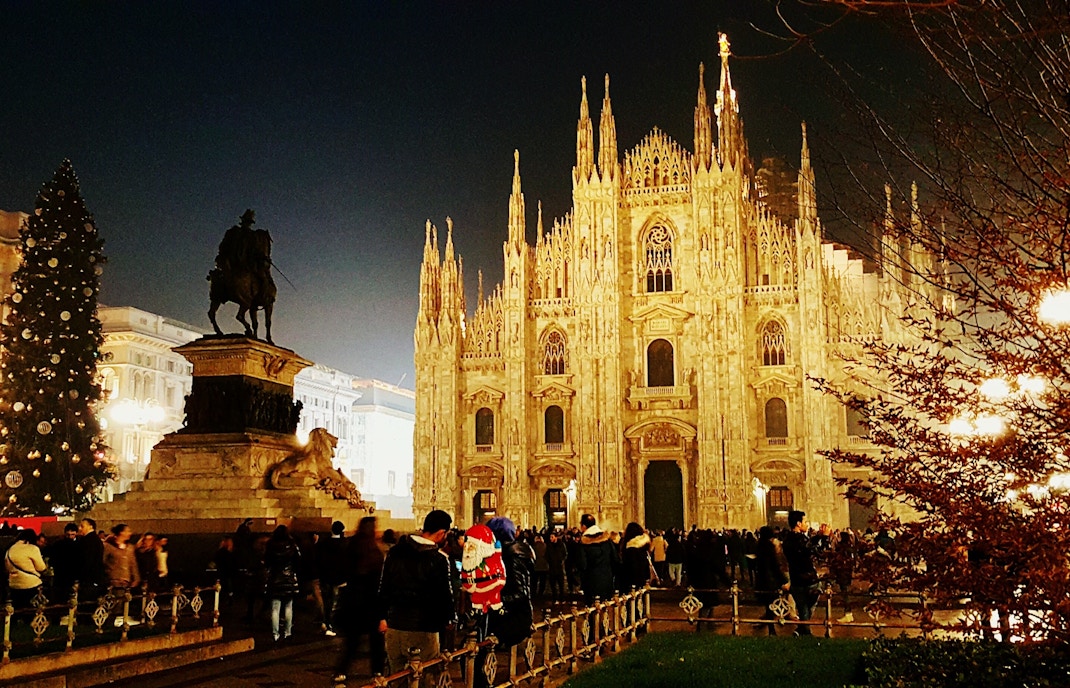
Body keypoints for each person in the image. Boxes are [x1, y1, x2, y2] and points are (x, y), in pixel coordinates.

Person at [378, 509, 455, 686]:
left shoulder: (395, 552)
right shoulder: (438, 560)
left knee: (396, 678)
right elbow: (444, 596)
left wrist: (382, 617)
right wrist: (448, 620)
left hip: (395, 627)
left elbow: (384, 588)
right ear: (441, 533)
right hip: (424, 630)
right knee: (426, 677)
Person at [333, 517, 386, 683]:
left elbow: (342, 572)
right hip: (370, 602)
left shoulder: (351, 547)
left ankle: (340, 671)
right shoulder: (374, 552)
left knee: (352, 642)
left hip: (352, 601)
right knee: (376, 640)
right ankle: (377, 672)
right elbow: (378, 583)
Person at [486, 517, 535, 649]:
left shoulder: (512, 557)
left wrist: (495, 600)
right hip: (506, 613)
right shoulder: (507, 554)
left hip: (514, 617)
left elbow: (521, 593)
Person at [782, 510, 820, 636]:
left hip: (795, 578)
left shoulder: (787, 539)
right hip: (808, 579)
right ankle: (804, 631)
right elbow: (807, 549)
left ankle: (802, 630)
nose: (807, 524)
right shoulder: (800, 539)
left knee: (803, 607)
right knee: (808, 606)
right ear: (798, 523)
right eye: (805, 521)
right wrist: (821, 536)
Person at [264, 525, 300, 642]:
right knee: (289, 606)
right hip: (289, 578)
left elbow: (267, 561)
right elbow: (298, 560)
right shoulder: (292, 544)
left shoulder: (270, 545)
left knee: (275, 608)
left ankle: (275, 633)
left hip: (275, 578)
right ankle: (287, 631)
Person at [754, 526, 790, 635]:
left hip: (762, 579)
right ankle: (772, 628)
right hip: (771, 581)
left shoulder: (759, 546)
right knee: (771, 604)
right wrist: (784, 580)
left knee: (768, 605)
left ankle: (770, 626)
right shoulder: (769, 547)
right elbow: (774, 566)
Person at [576, 513, 618, 605]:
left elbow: (582, 565)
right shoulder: (607, 540)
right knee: (605, 607)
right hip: (607, 580)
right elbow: (615, 559)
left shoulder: (584, 543)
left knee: (592, 609)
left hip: (590, 582)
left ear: (583, 526)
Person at [103, 524, 140, 627]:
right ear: (121, 533)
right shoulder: (109, 547)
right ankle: (107, 624)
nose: (130, 533)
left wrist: (136, 577)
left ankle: (114, 624)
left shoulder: (130, 548)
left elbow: (133, 563)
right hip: (114, 580)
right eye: (127, 531)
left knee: (122, 604)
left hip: (125, 580)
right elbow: (103, 561)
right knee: (115, 604)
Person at [5, 528, 47, 618]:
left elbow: (7, 568)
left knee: (17, 610)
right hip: (31, 584)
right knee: (31, 611)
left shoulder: (9, 550)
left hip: (14, 584)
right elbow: (41, 567)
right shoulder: (32, 548)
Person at [318, 520, 348, 637]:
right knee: (337, 603)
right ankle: (334, 624)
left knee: (327, 602)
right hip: (340, 577)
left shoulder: (324, 543)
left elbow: (320, 560)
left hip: (326, 577)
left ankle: (327, 623)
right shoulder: (345, 544)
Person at [46, 523, 81, 604]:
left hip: (62, 575)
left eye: (72, 534)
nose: (70, 536)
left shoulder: (58, 544)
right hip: (67, 575)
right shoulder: (79, 545)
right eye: (69, 534)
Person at [76, 518, 106, 605]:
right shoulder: (94, 540)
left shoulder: (88, 541)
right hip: (93, 578)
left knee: (86, 605)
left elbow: (87, 561)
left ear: (90, 527)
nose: (80, 528)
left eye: (82, 526)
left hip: (89, 579)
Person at [618, 522, 654, 592]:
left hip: (631, 582)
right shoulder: (643, 546)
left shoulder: (630, 548)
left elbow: (631, 567)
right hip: (642, 580)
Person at [545, 531, 568, 601]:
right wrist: (549, 561)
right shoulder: (549, 546)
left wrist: (561, 560)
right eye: (550, 537)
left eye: (552, 537)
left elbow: (565, 554)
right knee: (553, 584)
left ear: (555, 537)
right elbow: (546, 555)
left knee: (561, 584)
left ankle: (562, 598)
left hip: (559, 567)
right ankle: (555, 598)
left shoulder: (561, 545)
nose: (550, 539)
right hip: (552, 567)